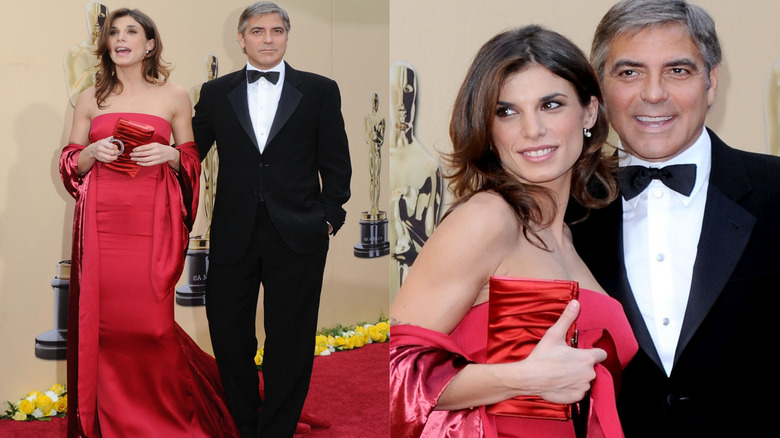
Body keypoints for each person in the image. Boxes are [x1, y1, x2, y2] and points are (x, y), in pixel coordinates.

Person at [389, 25, 638, 438]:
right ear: (488, 129)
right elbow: (391, 367)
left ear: (590, 112)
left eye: (551, 105)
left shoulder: (572, 238)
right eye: (506, 112)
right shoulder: (488, 219)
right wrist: (524, 378)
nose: (532, 129)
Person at [567, 0, 780, 436]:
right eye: (630, 72)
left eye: (677, 71)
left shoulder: (776, 190)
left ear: (711, 83)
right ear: (600, 90)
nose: (653, 93)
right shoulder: (563, 212)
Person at [59, 8, 238, 437]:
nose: (121, 39)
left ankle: (169, 421)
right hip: (101, 224)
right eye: (114, 33)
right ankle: (111, 421)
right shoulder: (90, 99)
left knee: (152, 328)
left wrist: (171, 155)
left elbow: (192, 159)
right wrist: (90, 154)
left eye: (131, 32)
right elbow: (69, 163)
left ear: (150, 44)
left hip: (152, 224)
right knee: (106, 328)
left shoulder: (175, 96)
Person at [191, 1, 352, 436]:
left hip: (299, 233)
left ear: (286, 37)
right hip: (234, 230)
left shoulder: (319, 90)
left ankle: (276, 429)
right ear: (241, 39)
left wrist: (328, 218)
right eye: (258, 31)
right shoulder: (215, 93)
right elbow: (191, 155)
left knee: (290, 338)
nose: (268, 39)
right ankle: (246, 422)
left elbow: (336, 163)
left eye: (277, 31)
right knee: (228, 333)